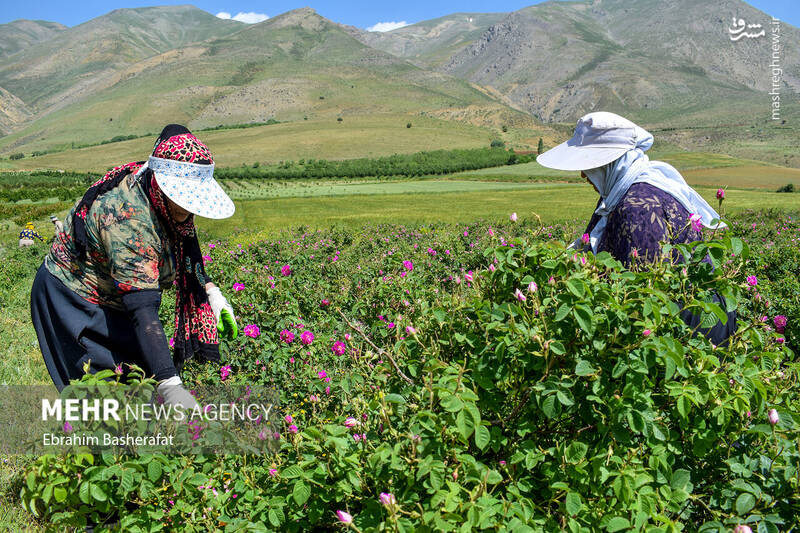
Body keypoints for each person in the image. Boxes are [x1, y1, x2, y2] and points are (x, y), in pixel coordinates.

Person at [31, 125, 239, 408]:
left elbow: (183, 253)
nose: (188, 210)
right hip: (72, 299)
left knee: (141, 378)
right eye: (183, 198)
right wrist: (171, 384)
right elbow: (143, 311)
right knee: (105, 394)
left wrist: (211, 292)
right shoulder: (128, 219)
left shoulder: (161, 198)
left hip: (113, 295)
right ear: (161, 184)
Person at [537, 111, 736, 344]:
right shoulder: (627, 189)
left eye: (589, 167)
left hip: (695, 326)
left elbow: (646, 293)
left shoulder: (637, 208)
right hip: (697, 313)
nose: (583, 175)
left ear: (609, 164)